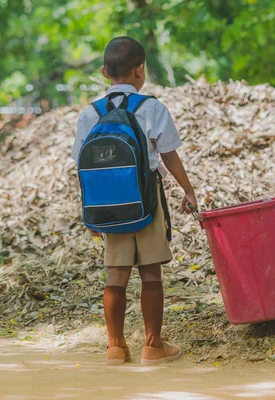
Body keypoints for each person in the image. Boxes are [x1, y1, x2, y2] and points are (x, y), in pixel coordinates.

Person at [71, 36, 198, 364]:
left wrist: (90, 210)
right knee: (151, 273)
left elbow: (82, 167)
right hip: (146, 200)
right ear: (140, 70)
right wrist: (189, 189)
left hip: (107, 202)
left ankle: (115, 346)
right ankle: (152, 346)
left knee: (116, 273)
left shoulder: (90, 115)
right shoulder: (152, 108)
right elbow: (169, 155)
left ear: (104, 72)